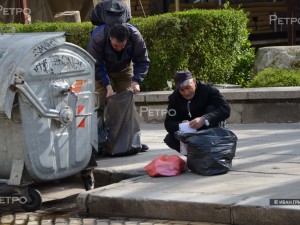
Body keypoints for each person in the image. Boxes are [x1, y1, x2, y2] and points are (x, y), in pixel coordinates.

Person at [88, 23, 151, 152]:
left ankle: (131, 142)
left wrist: (136, 80)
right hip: (101, 69)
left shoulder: (135, 37)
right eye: (115, 45)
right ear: (110, 38)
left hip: (124, 68)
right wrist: (107, 86)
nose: (118, 48)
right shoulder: (98, 38)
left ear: (127, 40)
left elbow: (142, 61)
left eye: (122, 46)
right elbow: (96, 64)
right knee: (99, 102)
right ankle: (96, 143)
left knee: (126, 102)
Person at [164, 70, 231, 152]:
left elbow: (225, 109)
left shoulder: (209, 90)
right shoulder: (174, 98)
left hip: (211, 130)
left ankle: (211, 153)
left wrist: (204, 119)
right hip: (190, 133)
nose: (186, 93)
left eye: (188, 87)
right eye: (181, 90)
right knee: (170, 139)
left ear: (194, 82)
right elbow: (168, 122)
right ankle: (194, 156)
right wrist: (181, 124)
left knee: (211, 108)